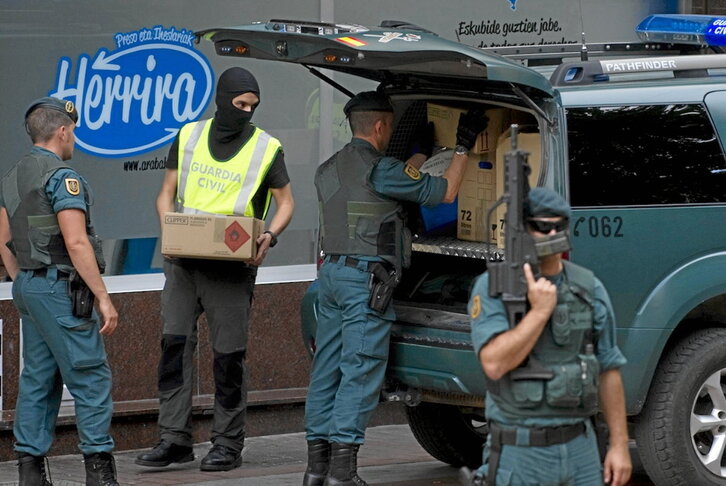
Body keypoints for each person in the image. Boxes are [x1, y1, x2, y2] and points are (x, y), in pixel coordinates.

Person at [302, 90, 489, 486]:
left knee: (327, 371)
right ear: (382, 126)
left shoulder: (328, 168)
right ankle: (342, 473)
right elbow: (445, 192)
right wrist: (462, 147)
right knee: (360, 369)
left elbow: (393, 180)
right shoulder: (381, 169)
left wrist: (419, 155)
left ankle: (316, 469)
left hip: (332, 276)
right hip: (363, 284)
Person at [135, 67, 294, 472]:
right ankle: (174, 439)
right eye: (239, 104)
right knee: (174, 350)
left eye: (252, 106)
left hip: (231, 268)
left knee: (228, 359)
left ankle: (227, 443)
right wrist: (168, 230)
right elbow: (165, 194)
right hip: (182, 265)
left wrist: (269, 236)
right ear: (223, 100)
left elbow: (287, 203)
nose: (245, 112)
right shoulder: (188, 137)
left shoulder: (266, 147)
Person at [466, 187, 632, 486]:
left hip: (579, 445)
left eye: (560, 226)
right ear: (523, 229)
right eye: (543, 227)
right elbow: (493, 363)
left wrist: (619, 445)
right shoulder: (495, 286)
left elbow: (608, 368)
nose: (553, 234)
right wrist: (540, 312)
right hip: (521, 449)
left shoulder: (587, 287)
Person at [0, 97, 120, 485]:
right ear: (62, 130)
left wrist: (24, 279)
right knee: (90, 377)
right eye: (74, 132)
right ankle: (100, 474)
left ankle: (30, 474)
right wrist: (102, 296)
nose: (75, 140)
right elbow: (77, 243)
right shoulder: (62, 177)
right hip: (59, 289)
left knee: (39, 377)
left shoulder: (14, 174)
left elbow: (3, 242)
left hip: (30, 287)